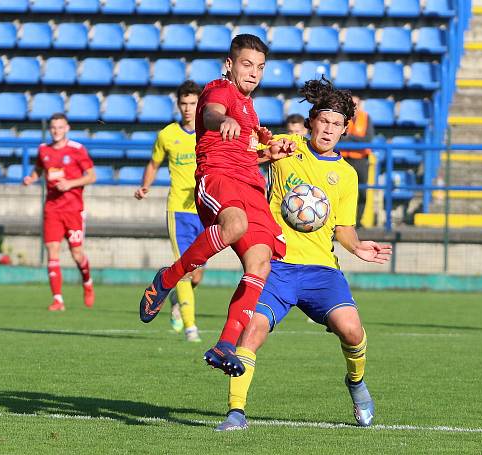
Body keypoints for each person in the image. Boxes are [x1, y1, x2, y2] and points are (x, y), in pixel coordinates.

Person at [215, 78, 392, 431]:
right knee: (253, 330)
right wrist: (254, 147)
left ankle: (356, 384)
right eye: (323, 121)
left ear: (345, 129)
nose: (328, 130)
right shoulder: (287, 146)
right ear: (312, 121)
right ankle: (236, 412)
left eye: (336, 125)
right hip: (276, 266)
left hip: (320, 271)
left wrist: (357, 246)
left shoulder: (345, 175)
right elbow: (243, 154)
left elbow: (343, 227)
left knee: (352, 332)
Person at [138, 34, 296, 376]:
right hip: (218, 177)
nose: (254, 73)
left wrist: (269, 153)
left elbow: (246, 153)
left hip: (251, 185)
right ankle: (168, 278)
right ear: (230, 64)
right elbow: (211, 114)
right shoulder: (219, 90)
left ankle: (225, 343)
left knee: (261, 263)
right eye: (246, 64)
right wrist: (221, 120)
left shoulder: (250, 109)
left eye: (260, 67)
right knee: (234, 225)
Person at [134, 80, 204, 342]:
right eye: (184, 104)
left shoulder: (209, 133)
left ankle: (174, 298)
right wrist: (145, 186)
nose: (188, 109)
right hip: (179, 211)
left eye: (192, 103)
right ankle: (190, 328)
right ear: (178, 105)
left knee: (196, 275)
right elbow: (154, 163)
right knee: (185, 268)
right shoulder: (167, 135)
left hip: (205, 210)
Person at [23, 113, 97, 311]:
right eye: (53, 127)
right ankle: (58, 300)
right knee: (52, 252)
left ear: (67, 128)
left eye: (60, 127)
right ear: (50, 129)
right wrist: (31, 178)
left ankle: (87, 283)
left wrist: (70, 183)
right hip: (52, 209)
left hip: (73, 210)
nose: (57, 131)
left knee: (77, 254)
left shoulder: (77, 150)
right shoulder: (43, 150)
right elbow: (39, 169)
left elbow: (91, 176)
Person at [339, 95, 375, 227]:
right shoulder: (341, 117)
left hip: (360, 160)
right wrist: (353, 138)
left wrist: (350, 137)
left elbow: (368, 139)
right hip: (343, 159)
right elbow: (339, 138)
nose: (353, 107)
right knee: (342, 192)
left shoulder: (366, 118)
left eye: (356, 104)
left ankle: (358, 221)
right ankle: (341, 222)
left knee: (362, 191)